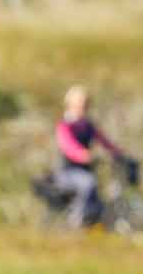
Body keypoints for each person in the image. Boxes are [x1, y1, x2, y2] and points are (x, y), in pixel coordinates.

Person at [40, 85, 138, 230]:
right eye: (81, 104)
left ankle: (98, 222)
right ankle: (78, 222)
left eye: (86, 104)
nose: (84, 108)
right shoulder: (65, 126)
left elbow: (104, 141)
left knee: (102, 189)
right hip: (67, 173)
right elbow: (69, 146)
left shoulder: (87, 125)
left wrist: (118, 153)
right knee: (88, 183)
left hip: (86, 170)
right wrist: (84, 155)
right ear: (70, 105)